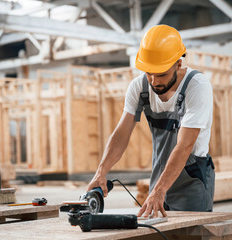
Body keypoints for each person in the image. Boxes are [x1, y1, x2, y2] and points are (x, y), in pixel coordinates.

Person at [87, 25, 215, 218]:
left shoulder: (197, 87)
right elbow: (122, 133)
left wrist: (159, 190)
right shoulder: (139, 87)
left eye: (161, 74)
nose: (154, 81)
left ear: (178, 65)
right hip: (160, 174)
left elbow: (185, 145)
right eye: (149, 73)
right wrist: (101, 171)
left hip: (192, 180)